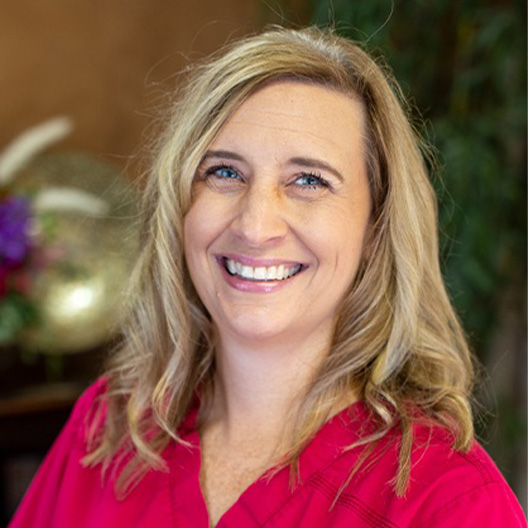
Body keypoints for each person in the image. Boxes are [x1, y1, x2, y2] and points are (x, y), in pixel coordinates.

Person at [9, 26, 525, 528]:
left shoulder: (451, 503)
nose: (255, 226)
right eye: (224, 172)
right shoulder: (110, 427)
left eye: (308, 181)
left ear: (376, 228)